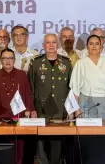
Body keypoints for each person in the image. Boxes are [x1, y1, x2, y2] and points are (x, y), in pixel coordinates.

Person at [28, 34, 72, 164]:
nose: (51, 45)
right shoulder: (35, 63)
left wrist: (70, 110)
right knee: (41, 143)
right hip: (40, 109)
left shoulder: (66, 63)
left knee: (57, 144)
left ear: (58, 45)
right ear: (43, 46)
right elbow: (30, 87)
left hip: (60, 109)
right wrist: (31, 109)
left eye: (54, 42)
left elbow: (71, 89)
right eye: (48, 42)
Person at [0, 48, 35, 164]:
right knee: (3, 153)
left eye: (10, 58)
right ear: (0, 60)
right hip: (0, 118)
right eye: (4, 58)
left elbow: (27, 94)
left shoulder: (22, 74)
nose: (7, 61)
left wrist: (29, 110)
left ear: (14, 60)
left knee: (19, 152)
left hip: (19, 119)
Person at [70, 35, 105, 119]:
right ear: (87, 47)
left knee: (104, 130)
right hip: (86, 101)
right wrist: (77, 110)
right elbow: (75, 89)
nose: (94, 46)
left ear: (101, 46)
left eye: (97, 44)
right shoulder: (80, 63)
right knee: (87, 130)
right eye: (91, 44)